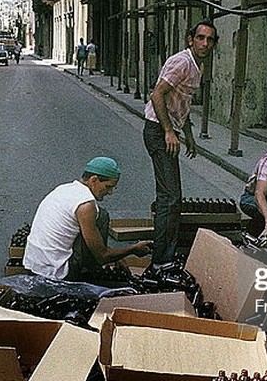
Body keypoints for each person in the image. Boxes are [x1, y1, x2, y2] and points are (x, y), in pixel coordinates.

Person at [143, 21, 218, 267]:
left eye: (209, 39)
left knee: (171, 196)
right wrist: (168, 131)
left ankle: (165, 255)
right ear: (190, 39)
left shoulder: (199, 66)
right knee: (170, 197)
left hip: (169, 131)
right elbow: (157, 94)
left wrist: (189, 137)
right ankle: (160, 260)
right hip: (158, 130)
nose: (205, 43)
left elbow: (181, 104)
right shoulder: (182, 62)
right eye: (200, 38)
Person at [23, 157, 152, 281]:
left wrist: (115, 255)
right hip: (56, 273)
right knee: (101, 215)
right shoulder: (86, 204)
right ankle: (87, 272)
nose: (110, 192)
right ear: (94, 179)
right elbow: (102, 256)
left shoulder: (64, 189)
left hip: (33, 265)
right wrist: (133, 249)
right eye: (108, 187)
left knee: (96, 215)